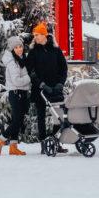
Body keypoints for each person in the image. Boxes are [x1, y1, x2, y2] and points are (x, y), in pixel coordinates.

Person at [26, 22, 68, 153]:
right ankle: (44, 144)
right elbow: (30, 71)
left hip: (55, 88)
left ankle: (56, 142)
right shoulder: (33, 51)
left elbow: (63, 68)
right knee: (41, 117)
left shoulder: (56, 50)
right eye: (34, 35)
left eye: (38, 35)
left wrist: (60, 83)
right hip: (40, 90)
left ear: (44, 35)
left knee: (59, 116)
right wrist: (41, 84)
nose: (35, 37)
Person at [0, 36, 31, 156]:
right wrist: (30, 77)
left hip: (21, 93)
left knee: (17, 120)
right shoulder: (12, 62)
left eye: (20, 46)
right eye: (16, 47)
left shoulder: (20, 59)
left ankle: (13, 147)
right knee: (17, 121)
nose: (19, 49)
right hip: (16, 93)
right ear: (12, 49)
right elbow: (17, 81)